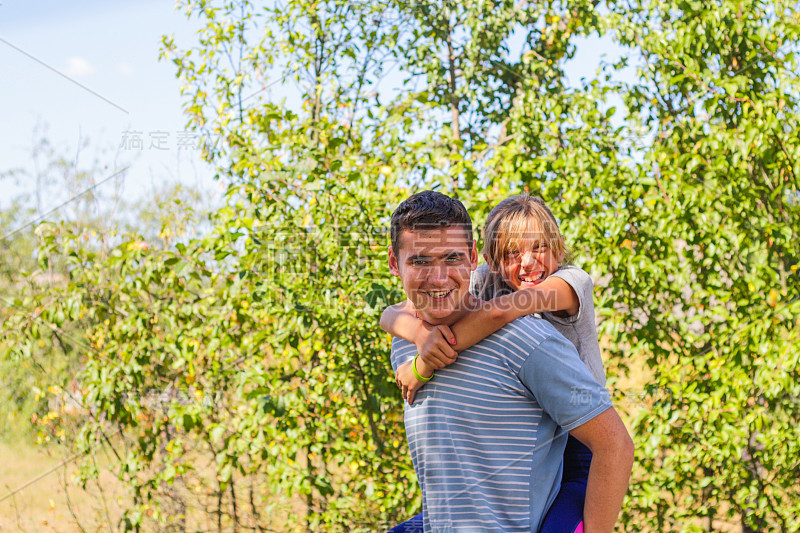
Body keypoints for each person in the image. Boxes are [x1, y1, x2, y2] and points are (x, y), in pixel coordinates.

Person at [385, 190, 633, 533]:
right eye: (512, 253)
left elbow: (498, 313)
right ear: (489, 259)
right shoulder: (483, 279)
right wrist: (419, 334)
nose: (528, 263)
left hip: (580, 445)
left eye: (539, 248)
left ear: (558, 248)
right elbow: (393, 312)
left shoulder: (569, 284)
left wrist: (423, 364)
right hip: (542, 440)